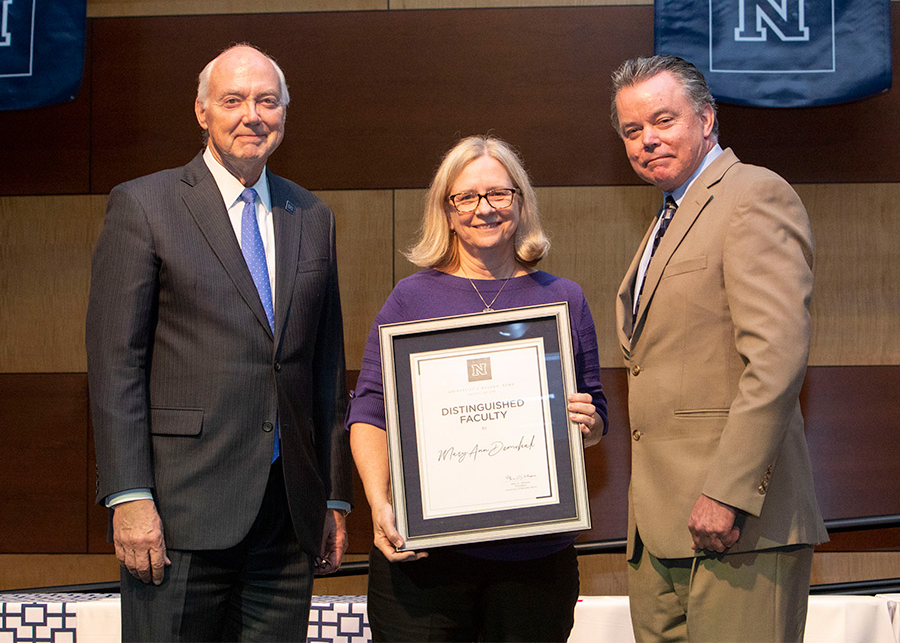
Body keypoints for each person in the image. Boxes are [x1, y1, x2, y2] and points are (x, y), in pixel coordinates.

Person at [86, 44, 353, 642]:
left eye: (266, 100)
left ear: (284, 112)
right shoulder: (144, 205)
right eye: (233, 100)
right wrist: (128, 495)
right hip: (177, 516)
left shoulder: (311, 214)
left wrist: (335, 496)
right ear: (202, 112)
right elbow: (114, 363)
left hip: (287, 522)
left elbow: (327, 369)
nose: (250, 115)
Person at [347, 134, 608, 643]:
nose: (483, 209)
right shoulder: (411, 299)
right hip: (425, 564)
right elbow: (370, 412)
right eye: (465, 197)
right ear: (445, 210)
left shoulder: (562, 299)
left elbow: (595, 415)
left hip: (534, 562)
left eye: (498, 194)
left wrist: (589, 422)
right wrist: (380, 506)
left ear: (521, 201)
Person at [610, 54, 828, 642]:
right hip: (658, 535)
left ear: (706, 119)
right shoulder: (664, 219)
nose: (647, 140)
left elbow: (776, 362)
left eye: (663, 120)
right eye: (632, 131)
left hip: (736, 529)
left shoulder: (753, 195)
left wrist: (726, 494)